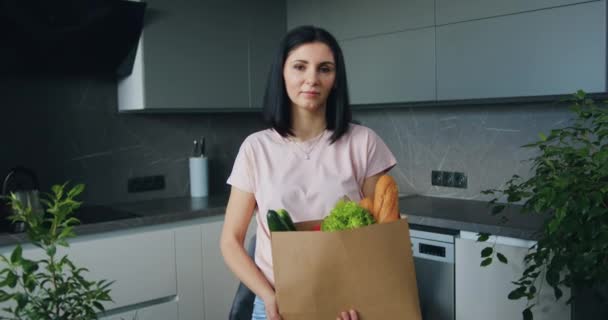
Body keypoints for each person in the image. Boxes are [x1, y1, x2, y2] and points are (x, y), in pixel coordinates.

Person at [220, 25, 397, 320]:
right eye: (300, 67)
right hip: (277, 304)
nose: (311, 79)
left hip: (346, 303)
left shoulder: (363, 142)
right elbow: (230, 241)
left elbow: (379, 235)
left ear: (336, 79)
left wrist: (365, 294)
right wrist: (268, 296)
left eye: (324, 69)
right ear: (282, 73)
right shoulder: (255, 148)